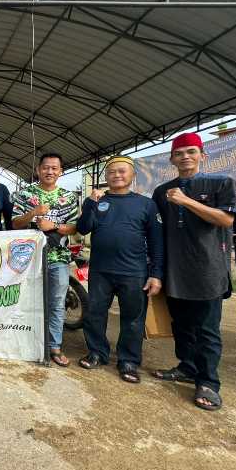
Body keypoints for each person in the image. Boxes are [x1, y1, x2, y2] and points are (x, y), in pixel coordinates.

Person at [152, 132, 236, 411]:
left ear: (203, 155)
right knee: (181, 326)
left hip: (207, 270)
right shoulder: (162, 191)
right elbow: (156, 231)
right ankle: (187, 367)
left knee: (207, 330)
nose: (185, 157)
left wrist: (186, 201)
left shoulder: (222, 183)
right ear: (171, 159)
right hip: (174, 271)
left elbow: (225, 219)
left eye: (191, 152)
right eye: (179, 153)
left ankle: (209, 382)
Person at [75, 156, 164, 383]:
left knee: (133, 318)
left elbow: (157, 242)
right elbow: (83, 228)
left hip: (134, 271)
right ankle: (97, 353)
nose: (116, 175)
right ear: (106, 176)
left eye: (122, 171)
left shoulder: (146, 204)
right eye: (112, 172)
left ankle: (128, 361)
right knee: (95, 313)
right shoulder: (97, 201)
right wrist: (89, 203)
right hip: (100, 270)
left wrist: (156, 274)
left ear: (133, 175)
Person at [12, 153, 78, 367]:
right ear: (38, 170)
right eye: (46, 167)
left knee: (57, 303)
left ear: (60, 172)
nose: (50, 171)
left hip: (58, 258)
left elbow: (75, 227)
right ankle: (26, 342)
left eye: (54, 168)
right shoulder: (24, 194)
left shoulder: (69, 197)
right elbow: (15, 223)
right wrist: (33, 213)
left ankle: (54, 347)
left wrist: (54, 226)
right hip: (28, 259)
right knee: (26, 301)